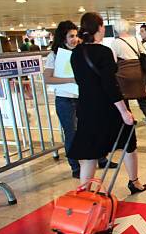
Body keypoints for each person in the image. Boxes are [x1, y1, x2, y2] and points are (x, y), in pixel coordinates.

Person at [68, 12, 146, 194]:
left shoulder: (76, 54)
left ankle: (85, 193)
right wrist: (124, 112)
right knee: (128, 143)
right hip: (109, 107)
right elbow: (109, 85)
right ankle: (134, 182)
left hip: (87, 108)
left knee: (90, 152)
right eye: (102, 26)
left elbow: (81, 81)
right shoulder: (103, 52)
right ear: (99, 28)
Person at [43, 20, 117, 179]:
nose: (74, 39)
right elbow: (47, 78)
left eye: (76, 35)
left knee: (93, 129)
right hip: (65, 99)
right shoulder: (55, 55)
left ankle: (101, 158)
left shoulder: (82, 52)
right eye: (71, 36)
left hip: (84, 98)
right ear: (63, 38)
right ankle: (75, 166)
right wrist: (70, 79)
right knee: (71, 133)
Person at [110, 19, 146, 140]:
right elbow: (143, 54)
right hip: (138, 73)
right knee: (144, 102)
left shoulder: (115, 43)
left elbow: (113, 61)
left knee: (125, 102)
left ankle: (129, 130)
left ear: (116, 29)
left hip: (123, 75)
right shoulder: (135, 40)